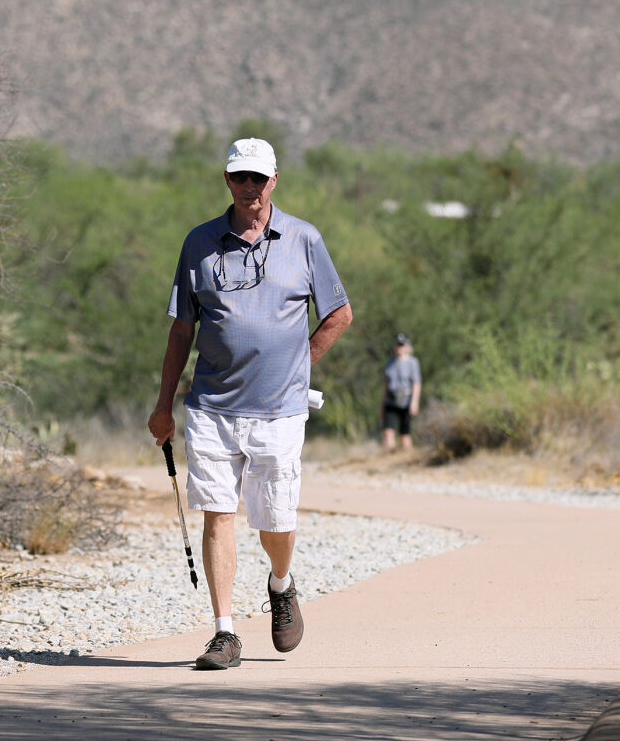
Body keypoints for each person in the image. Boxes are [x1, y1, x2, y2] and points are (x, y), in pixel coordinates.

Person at [147, 137, 353, 672]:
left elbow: (339, 314)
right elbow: (181, 329)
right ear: (227, 180)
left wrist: (300, 365)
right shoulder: (199, 244)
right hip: (212, 406)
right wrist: (164, 404)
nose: (250, 188)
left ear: (274, 181)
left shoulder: (304, 239)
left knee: (275, 523)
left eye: (259, 179)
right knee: (219, 515)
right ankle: (225, 632)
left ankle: (281, 584)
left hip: (280, 410)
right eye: (241, 177)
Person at [382, 333, 422, 452]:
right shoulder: (389, 363)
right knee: (388, 432)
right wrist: (382, 405)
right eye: (397, 345)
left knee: (405, 436)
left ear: (407, 346)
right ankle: (388, 461)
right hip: (390, 401)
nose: (399, 347)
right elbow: (386, 385)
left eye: (402, 345)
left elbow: (416, 383)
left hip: (406, 401)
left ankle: (405, 460)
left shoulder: (413, 363)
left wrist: (414, 402)